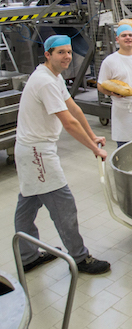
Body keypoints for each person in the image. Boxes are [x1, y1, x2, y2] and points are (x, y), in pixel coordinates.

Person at [14, 35, 111, 275]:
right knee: (63, 205)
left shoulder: (52, 76)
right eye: (60, 52)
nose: (67, 56)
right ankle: (79, 258)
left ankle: (27, 256)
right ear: (47, 54)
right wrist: (94, 148)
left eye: (69, 51)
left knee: (28, 203)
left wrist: (93, 136)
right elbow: (68, 123)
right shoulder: (45, 82)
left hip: (31, 149)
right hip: (38, 152)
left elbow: (74, 108)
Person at [97, 24, 132, 147]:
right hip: (123, 110)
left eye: (130, 35)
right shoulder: (110, 61)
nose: (128, 38)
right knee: (125, 147)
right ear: (117, 39)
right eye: (124, 36)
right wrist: (111, 93)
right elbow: (100, 85)